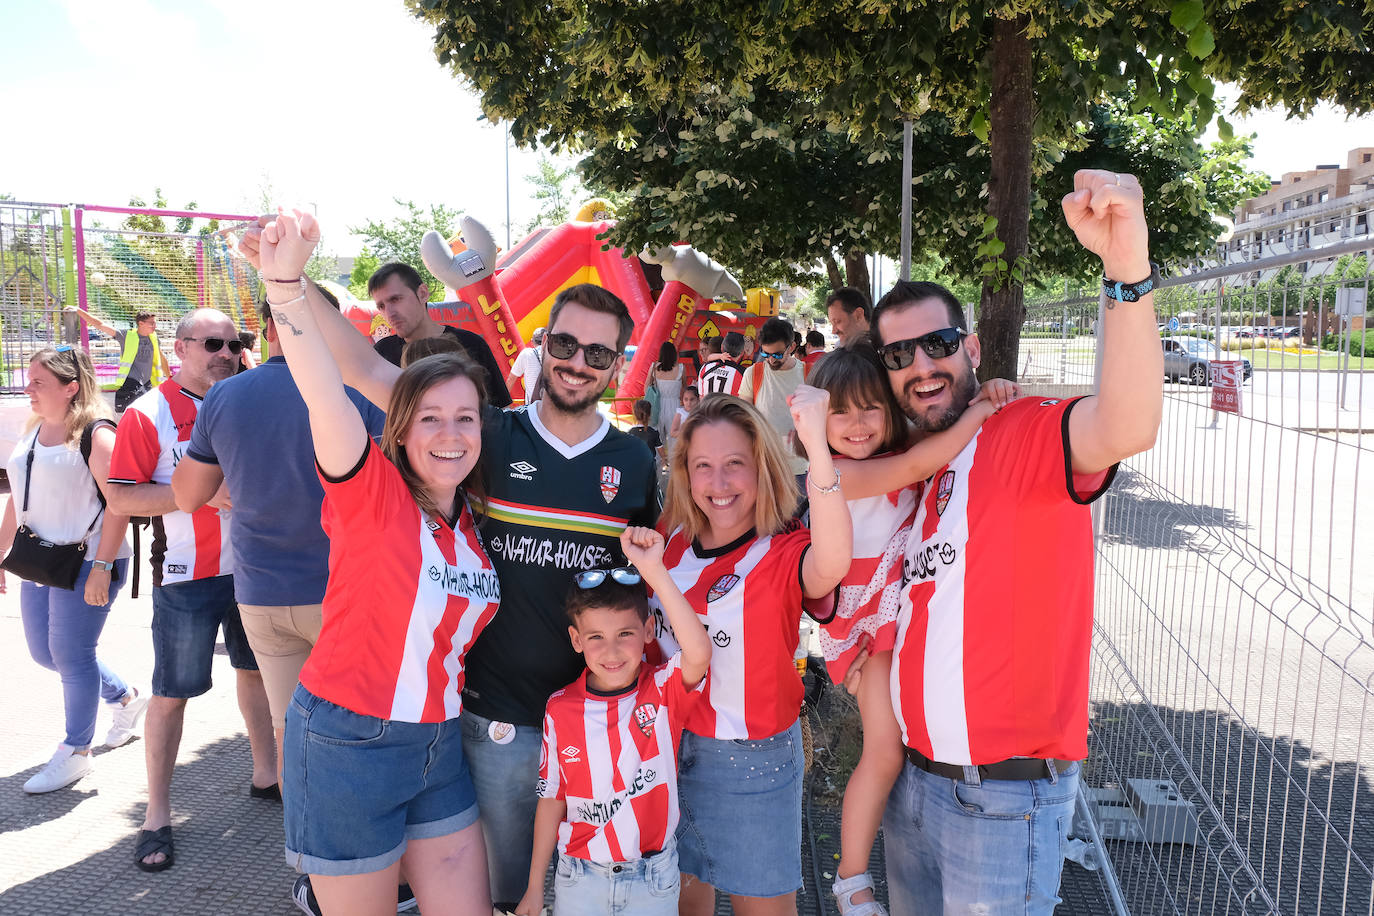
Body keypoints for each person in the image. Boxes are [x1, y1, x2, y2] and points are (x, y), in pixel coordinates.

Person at [235, 210, 660, 911]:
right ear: (542, 345)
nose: (579, 362)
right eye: (565, 344)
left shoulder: (607, 471)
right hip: (433, 727)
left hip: (552, 721)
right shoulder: (441, 459)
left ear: (618, 363)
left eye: (599, 354)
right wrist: (289, 285)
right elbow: (353, 377)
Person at [871, 170, 1163, 914]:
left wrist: (1126, 267)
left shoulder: (1023, 430)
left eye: (935, 345)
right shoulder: (927, 465)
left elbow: (1124, 425)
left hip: (1001, 803)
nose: (920, 369)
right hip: (914, 786)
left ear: (969, 346)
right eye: (897, 358)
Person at [258, 209, 498, 916]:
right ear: (401, 425)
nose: (450, 435)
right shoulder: (370, 488)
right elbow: (329, 385)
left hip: (439, 744)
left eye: (465, 418)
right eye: (430, 418)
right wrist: (284, 287)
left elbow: (369, 363)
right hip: (346, 744)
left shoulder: (471, 521)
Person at [803, 344, 1018, 916]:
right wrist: (978, 411)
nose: (857, 425)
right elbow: (918, 467)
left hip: (898, 617)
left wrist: (986, 393)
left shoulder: (900, 447)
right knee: (883, 754)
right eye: (840, 413)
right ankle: (851, 882)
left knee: (906, 745)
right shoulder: (836, 475)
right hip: (867, 626)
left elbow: (937, 451)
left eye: (871, 408)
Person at [650, 392, 852, 916]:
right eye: (703, 467)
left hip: (750, 761)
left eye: (735, 465)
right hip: (668, 752)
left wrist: (818, 450)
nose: (718, 484)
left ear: (761, 469)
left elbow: (831, 563)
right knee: (683, 901)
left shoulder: (782, 551)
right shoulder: (671, 542)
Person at [107, 308, 274, 872]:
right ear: (179, 348)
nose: (227, 353)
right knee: (171, 694)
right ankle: (156, 815)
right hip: (187, 576)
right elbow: (124, 499)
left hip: (258, 570)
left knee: (256, 675)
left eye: (236, 343)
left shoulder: (251, 400)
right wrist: (197, 494)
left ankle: (266, 775)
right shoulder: (146, 414)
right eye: (212, 343)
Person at [513, 526, 711, 916]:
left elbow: (699, 652)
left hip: (652, 877)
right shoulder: (559, 709)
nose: (612, 650)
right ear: (575, 639)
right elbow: (552, 800)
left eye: (625, 633)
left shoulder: (663, 689)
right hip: (578, 877)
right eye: (596, 637)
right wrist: (535, 888)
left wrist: (654, 572)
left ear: (648, 630)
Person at [0, 346, 144, 794]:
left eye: (39, 382)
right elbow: (19, 496)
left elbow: (120, 503)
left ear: (70, 387)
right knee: (47, 654)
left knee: (72, 654)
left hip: (87, 560)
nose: (29, 388)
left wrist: (102, 566)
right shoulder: (34, 429)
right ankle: (124, 697)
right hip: (41, 557)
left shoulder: (97, 436)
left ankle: (76, 752)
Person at [367, 261, 512, 407]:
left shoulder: (471, 344)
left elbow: (500, 411)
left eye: (395, 299)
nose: (389, 313)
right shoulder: (382, 353)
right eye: (381, 306)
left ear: (422, 293)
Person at [739, 318, 809, 494]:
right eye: (766, 354)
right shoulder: (753, 373)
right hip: (764, 467)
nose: (771, 360)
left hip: (799, 470)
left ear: (791, 347)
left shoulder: (809, 374)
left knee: (797, 522)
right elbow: (744, 420)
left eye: (777, 354)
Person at [66, 307, 172, 412]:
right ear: (141, 323)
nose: (155, 326)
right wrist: (78, 310)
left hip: (147, 383)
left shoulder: (153, 338)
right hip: (131, 381)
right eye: (151, 323)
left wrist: (169, 377)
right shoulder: (127, 336)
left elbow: (162, 358)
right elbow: (100, 324)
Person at [651, 341, 685, 444]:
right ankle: (674, 460)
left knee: (657, 439)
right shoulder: (681, 368)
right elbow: (684, 387)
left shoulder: (654, 367)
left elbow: (646, 387)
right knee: (674, 440)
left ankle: (657, 460)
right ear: (674, 354)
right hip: (675, 405)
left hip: (657, 405)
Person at [697, 331, 745, 396]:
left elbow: (701, 397)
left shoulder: (705, 367)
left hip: (707, 406)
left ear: (722, 348)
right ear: (742, 353)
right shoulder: (743, 374)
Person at [505, 326, 546, 402]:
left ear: (532, 341)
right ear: (546, 340)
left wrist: (504, 401)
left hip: (533, 406)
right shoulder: (555, 355)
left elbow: (511, 379)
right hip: (553, 408)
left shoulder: (526, 354)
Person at [627, 398, 665, 465]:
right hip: (650, 463)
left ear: (635, 415)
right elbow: (660, 448)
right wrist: (664, 459)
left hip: (636, 463)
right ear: (649, 414)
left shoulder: (630, 432)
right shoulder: (653, 431)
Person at [667, 384, 699, 452]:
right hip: (684, 446)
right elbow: (672, 432)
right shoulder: (680, 413)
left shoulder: (701, 413)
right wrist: (685, 432)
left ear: (698, 400)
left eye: (692, 399)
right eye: (686, 399)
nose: (688, 403)